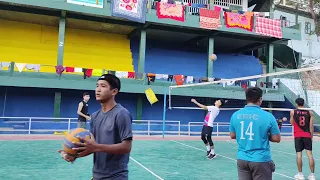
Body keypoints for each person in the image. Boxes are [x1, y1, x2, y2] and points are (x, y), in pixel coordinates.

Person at [58, 74, 133, 180]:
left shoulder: (122, 114)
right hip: (97, 176)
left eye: (103, 86)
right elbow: (92, 147)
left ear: (114, 91)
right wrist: (73, 154)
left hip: (116, 177)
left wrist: (96, 147)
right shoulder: (94, 116)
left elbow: (126, 147)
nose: (98, 89)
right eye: (97, 86)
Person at [229, 87, 281, 180]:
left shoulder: (235, 115)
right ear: (260, 99)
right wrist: (264, 135)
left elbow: (232, 135)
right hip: (260, 159)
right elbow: (277, 139)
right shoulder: (268, 116)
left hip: (242, 159)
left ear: (246, 98)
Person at [290, 98, 315, 180]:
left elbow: (292, 123)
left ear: (296, 104)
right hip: (307, 135)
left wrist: (292, 116)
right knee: (310, 155)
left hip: (298, 136)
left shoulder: (293, 112)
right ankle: (312, 175)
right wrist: (311, 136)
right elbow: (311, 126)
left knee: (299, 155)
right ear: (303, 104)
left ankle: (300, 174)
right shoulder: (310, 112)